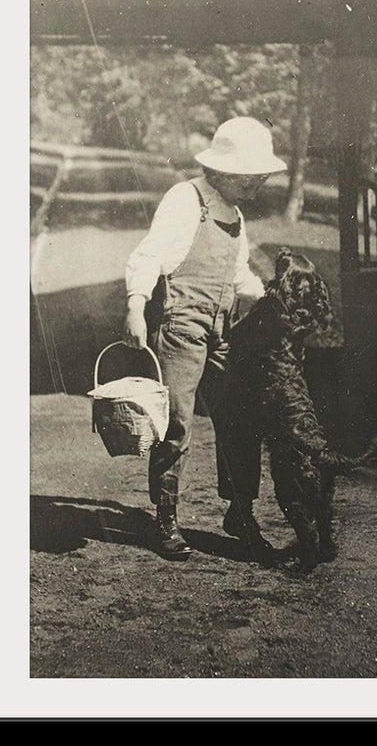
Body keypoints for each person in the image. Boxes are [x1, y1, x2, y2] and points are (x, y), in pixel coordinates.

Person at [123, 117, 287, 559]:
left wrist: (273, 297)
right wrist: (136, 306)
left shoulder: (234, 215)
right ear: (227, 171)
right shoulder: (185, 199)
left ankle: (240, 511)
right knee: (177, 421)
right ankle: (166, 519)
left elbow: (238, 278)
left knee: (240, 414)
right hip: (181, 326)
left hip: (222, 329)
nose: (259, 184)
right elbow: (150, 254)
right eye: (253, 176)